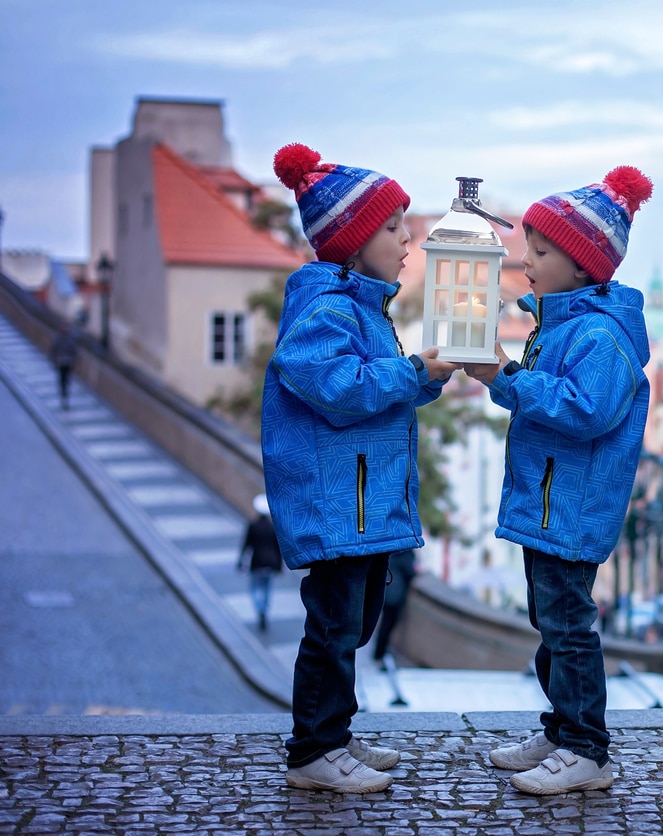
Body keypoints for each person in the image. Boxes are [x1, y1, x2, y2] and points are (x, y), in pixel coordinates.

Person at [262, 143, 460, 794]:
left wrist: (424, 378)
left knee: (351, 625)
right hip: (337, 500)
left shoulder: (361, 305)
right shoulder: (327, 308)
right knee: (333, 627)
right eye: (393, 227)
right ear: (351, 241)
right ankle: (314, 751)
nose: (408, 239)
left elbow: (376, 392)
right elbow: (333, 384)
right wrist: (409, 372)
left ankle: (335, 739)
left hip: (363, 501)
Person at [463, 166, 654, 795]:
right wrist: (508, 376)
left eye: (540, 251)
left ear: (582, 264)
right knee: (552, 624)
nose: (526, 261)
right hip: (549, 503)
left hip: (571, 508)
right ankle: (560, 728)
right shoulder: (566, 323)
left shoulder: (599, 333)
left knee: (570, 627)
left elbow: (585, 410)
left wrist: (507, 379)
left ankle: (587, 750)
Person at [237, 493, 283, 631]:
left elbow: (246, 545)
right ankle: (264, 609)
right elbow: (278, 548)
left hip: (256, 562)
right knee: (267, 589)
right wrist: (280, 566)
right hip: (271, 563)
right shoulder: (273, 527)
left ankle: (259, 609)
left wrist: (240, 561)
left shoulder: (253, 526)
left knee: (254, 588)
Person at [372, 549, 418, 668]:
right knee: (388, 625)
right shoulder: (407, 553)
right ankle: (381, 654)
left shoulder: (391, 550)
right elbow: (410, 572)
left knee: (384, 624)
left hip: (385, 591)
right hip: (395, 595)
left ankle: (378, 653)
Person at [51, 321, 78, 410]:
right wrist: (54, 361)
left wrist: (73, 361)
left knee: (67, 380)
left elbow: (74, 351)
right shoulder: (58, 338)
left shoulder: (70, 338)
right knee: (62, 380)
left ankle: (65, 396)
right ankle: (63, 396)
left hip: (68, 363)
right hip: (61, 362)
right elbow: (54, 350)